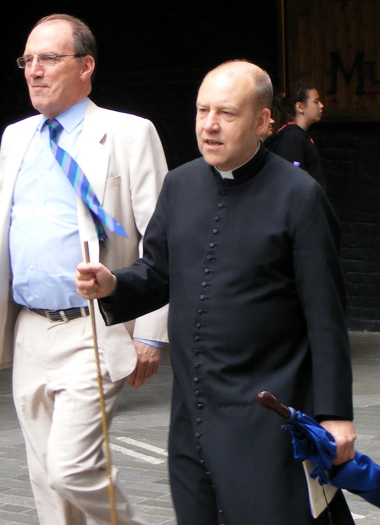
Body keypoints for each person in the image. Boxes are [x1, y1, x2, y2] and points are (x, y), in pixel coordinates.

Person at [76, 61, 356, 525]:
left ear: (263, 122)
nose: (209, 124)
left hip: (268, 415)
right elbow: (157, 273)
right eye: (202, 110)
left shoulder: (300, 197)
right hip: (193, 414)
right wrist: (113, 283)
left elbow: (326, 317)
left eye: (226, 113)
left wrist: (335, 415)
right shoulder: (180, 185)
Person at [0, 14, 168, 525]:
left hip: (93, 327)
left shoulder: (127, 133)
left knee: (73, 470)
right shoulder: (17, 138)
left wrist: (151, 331)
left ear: (86, 66)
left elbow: (162, 238)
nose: (35, 70)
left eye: (49, 58)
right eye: (28, 60)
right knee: (47, 486)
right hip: (29, 330)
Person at [266, 85, 326, 187]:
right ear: (300, 107)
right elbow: (291, 181)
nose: (321, 105)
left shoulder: (297, 135)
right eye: (316, 102)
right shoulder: (292, 137)